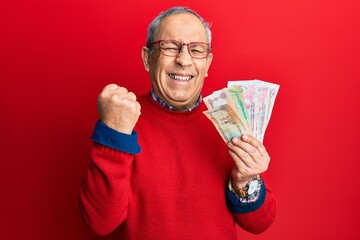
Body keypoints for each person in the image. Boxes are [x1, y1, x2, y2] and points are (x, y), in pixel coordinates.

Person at [79, 6, 276, 239]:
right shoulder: (122, 121)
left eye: (196, 50)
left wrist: (245, 180)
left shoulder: (229, 121)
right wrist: (114, 134)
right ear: (147, 58)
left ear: (208, 64)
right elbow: (100, 223)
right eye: (170, 47)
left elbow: (260, 223)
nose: (184, 60)